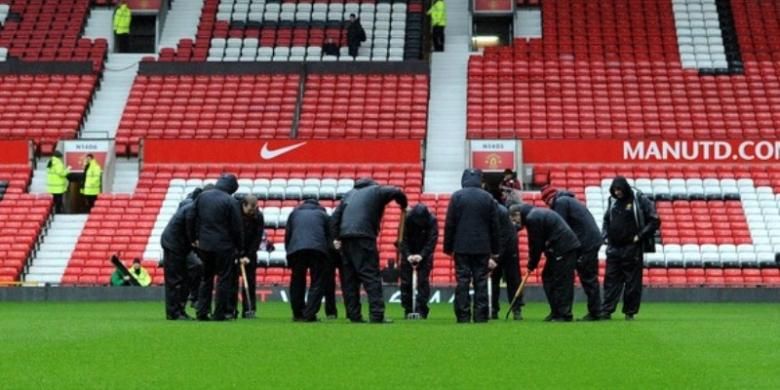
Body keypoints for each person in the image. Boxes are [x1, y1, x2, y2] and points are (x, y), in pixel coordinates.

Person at [331, 178, 407, 324]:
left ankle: (354, 315)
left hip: (345, 238)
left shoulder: (348, 195)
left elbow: (335, 218)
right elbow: (396, 191)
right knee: (371, 276)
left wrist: (336, 238)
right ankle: (377, 314)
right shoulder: (375, 191)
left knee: (350, 279)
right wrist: (403, 204)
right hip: (364, 237)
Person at [444, 169, 500, 323]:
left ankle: (463, 315)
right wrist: (495, 250)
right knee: (480, 280)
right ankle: (480, 315)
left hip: (461, 246)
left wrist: (448, 247)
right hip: (482, 246)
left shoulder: (457, 197)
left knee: (462, 281)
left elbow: (450, 224)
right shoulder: (488, 197)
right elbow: (494, 225)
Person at [601, 176, 660, 321]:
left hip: (631, 248)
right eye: (615, 190)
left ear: (625, 188)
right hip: (614, 247)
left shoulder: (639, 199)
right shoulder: (612, 200)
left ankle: (629, 312)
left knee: (632, 282)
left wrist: (639, 236)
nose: (617, 192)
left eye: (619, 189)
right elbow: (607, 220)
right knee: (610, 280)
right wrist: (605, 236)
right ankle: (606, 310)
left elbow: (655, 220)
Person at [186, 174, 243, 321]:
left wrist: (193, 238)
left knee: (206, 278)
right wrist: (240, 247)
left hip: (204, 245)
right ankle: (219, 313)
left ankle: (202, 312)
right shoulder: (231, 201)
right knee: (223, 279)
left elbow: (191, 216)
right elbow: (237, 227)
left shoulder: (202, 197)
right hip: (224, 246)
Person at [542, 186, 603, 321]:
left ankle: (595, 312)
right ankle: (596, 310)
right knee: (590, 277)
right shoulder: (570, 201)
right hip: (590, 241)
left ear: (551, 198)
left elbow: (560, 227)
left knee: (587, 277)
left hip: (586, 243)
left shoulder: (560, 203)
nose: (548, 206)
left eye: (547, 202)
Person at [510, 204, 580, 322]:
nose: (515, 223)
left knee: (561, 281)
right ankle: (556, 311)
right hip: (559, 248)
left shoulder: (532, 218)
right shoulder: (534, 215)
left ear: (518, 214)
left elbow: (536, 244)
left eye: (514, 219)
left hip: (564, 248)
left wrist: (532, 264)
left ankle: (564, 314)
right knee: (548, 276)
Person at [160, 187, 203, 320]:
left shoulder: (191, 207)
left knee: (194, 268)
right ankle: (174, 312)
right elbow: (191, 232)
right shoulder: (191, 208)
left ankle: (181, 306)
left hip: (181, 246)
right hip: (174, 245)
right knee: (175, 279)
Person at [285, 198, 331, 322]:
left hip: (296, 250)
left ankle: (298, 313)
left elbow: (288, 234)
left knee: (297, 281)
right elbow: (329, 236)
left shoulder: (294, 214)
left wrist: (288, 253)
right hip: (318, 250)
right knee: (317, 282)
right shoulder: (323, 215)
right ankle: (309, 313)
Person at [398, 203, 438, 319]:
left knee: (422, 282)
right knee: (406, 283)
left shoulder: (432, 221)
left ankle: (422, 309)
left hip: (424, 255)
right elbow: (402, 239)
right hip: (408, 253)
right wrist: (408, 254)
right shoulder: (406, 219)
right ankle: (408, 309)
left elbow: (432, 240)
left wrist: (422, 255)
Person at [234, 195, 267, 319]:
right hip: (235, 251)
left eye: (254, 210)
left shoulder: (258, 217)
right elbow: (233, 235)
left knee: (250, 282)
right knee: (233, 282)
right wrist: (238, 254)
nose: (251, 213)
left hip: (250, 253)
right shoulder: (235, 214)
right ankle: (231, 310)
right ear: (243, 205)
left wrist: (248, 255)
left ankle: (249, 309)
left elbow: (257, 238)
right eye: (249, 210)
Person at [490, 202, 523, 320]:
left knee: (513, 280)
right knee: (493, 280)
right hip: (495, 249)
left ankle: (516, 309)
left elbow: (504, 238)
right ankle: (492, 309)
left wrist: (495, 257)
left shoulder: (501, 214)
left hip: (509, 250)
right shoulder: (490, 213)